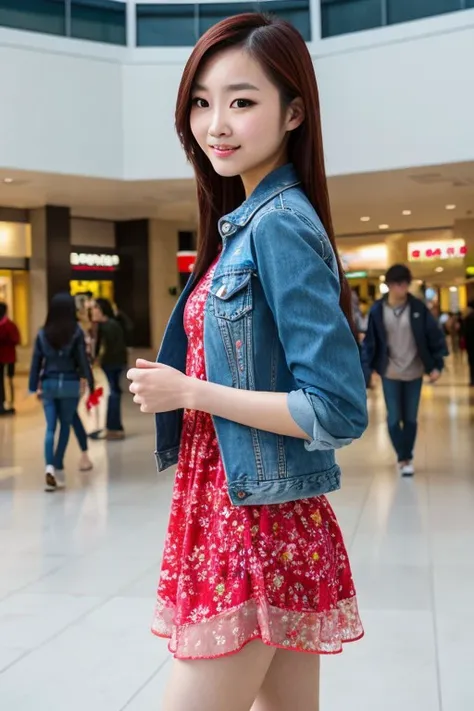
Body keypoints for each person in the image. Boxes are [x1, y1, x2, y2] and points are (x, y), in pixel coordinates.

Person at [127, 13, 368, 711]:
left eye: (241, 100)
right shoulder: (246, 224)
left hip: (255, 527)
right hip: (246, 512)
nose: (215, 124)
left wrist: (190, 391)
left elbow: (337, 406)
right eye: (202, 102)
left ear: (294, 111)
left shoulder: (280, 223)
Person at [362, 264, 447, 477]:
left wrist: (436, 365)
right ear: (389, 285)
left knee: (410, 418)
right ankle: (403, 455)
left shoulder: (418, 308)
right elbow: (371, 343)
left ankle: (405, 457)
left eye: (406, 283)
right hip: (389, 371)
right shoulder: (377, 310)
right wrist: (367, 370)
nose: (402, 288)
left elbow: (434, 337)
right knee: (393, 419)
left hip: (415, 370)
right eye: (398, 284)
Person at [29, 293, 94, 492]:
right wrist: (89, 380)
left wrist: (33, 385)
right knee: (65, 426)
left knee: (50, 428)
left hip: (48, 383)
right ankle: (58, 465)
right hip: (69, 384)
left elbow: (36, 361)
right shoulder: (76, 332)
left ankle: (48, 468)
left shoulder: (43, 333)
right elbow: (82, 360)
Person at [91, 298, 128, 440]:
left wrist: (99, 361)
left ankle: (113, 427)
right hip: (115, 363)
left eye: (95, 307)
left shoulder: (107, 326)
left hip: (112, 364)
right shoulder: (109, 324)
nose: (93, 310)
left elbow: (106, 348)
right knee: (114, 392)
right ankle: (113, 426)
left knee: (112, 393)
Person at [0, 302, 20, 415]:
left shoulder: (9, 325)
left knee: (8, 380)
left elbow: (15, 339)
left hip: (8, 358)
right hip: (5, 357)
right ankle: (2, 402)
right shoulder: (9, 325)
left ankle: (9, 403)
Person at [461, 300, 474, 385]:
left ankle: (472, 379)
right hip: (470, 343)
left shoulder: (467, 318)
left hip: (471, 344)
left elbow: (465, 332)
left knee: (471, 363)